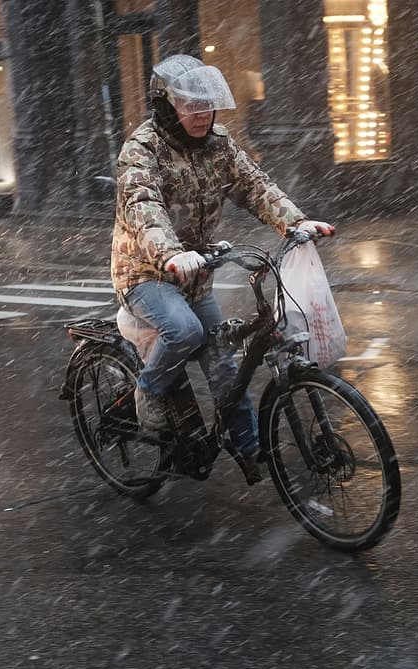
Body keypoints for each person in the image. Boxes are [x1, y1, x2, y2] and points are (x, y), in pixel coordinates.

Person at [110, 54, 334, 484]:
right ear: (165, 106)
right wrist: (170, 253)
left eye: (206, 104)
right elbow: (143, 207)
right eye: (189, 105)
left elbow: (254, 185)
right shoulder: (142, 149)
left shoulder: (219, 144)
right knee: (187, 332)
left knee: (226, 368)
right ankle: (149, 389)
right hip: (145, 272)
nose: (201, 114)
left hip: (195, 273)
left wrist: (295, 222)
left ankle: (250, 447)